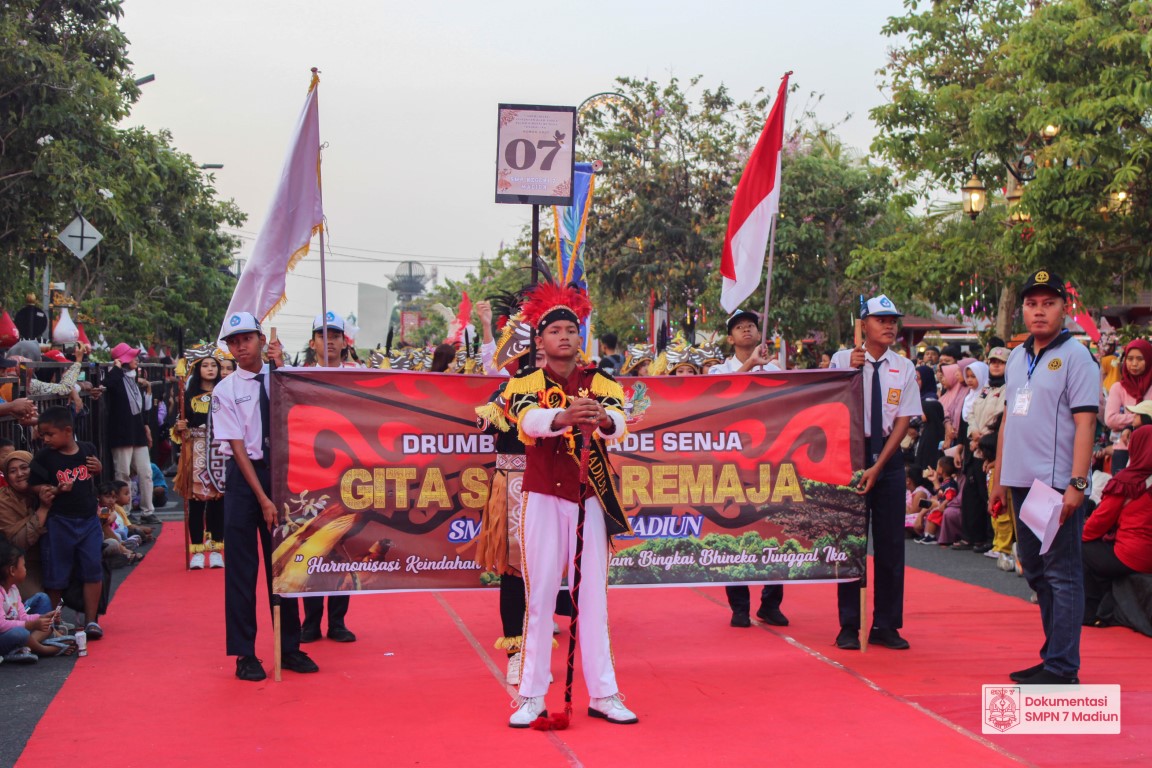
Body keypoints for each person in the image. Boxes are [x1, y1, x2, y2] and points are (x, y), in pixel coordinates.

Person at [501, 282, 637, 727]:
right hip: (542, 497)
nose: (564, 336)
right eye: (555, 330)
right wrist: (563, 417)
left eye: (571, 330)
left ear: (581, 339)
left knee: (592, 596)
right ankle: (531, 696)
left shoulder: (600, 381)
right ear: (539, 341)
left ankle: (604, 693)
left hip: (588, 500)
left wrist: (602, 418)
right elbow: (528, 421)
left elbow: (620, 422)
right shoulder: (524, 383)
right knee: (539, 596)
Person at [991, 269, 1098, 685]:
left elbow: (1086, 424)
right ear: (1022, 310)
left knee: (1062, 573)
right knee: (1035, 571)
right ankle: (1055, 654)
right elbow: (1007, 425)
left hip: (1055, 483)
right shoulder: (1016, 357)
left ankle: (1062, 666)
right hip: (1019, 481)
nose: (1039, 311)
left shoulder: (1077, 357)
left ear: (1063, 308)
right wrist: (998, 479)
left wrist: (1078, 483)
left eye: (1048, 303)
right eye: (1032, 304)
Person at [213, 311, 317, 682]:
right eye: (233, 342)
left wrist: (282, 366)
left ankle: (288, 647)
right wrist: (263, 498)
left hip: (283, 476)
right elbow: (238, 448)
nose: (240, 347)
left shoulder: (280, 379)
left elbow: (301, 411)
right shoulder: (225, 389)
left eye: (246, 339)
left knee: (286, 566)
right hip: (246, 481)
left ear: (261, 339)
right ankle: (245, 654)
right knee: (242, 571)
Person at [830, 295, 921, 650]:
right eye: (881, 319)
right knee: (850, 542)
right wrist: (846, 370)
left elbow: (903, 419)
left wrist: (880, 464)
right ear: (864, 324)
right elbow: (828, 404)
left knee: (891, 545)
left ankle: (885, 624)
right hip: (850, 455)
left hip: (888, 456)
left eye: (893, 320)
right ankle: (848, 625)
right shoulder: (843, 359)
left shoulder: (904, 367)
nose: (889, 326)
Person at [705, 310, 787, 627]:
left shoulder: (776, 369)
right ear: (731, 338)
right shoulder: (719, 369)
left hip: (770, 457)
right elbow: (719, 397)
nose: (747, 331)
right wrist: (750, 366)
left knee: (773, 528)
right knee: (733, 528)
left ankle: (771, 603)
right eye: (740, 328)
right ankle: (739, 607)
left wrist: (763, 366)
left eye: (751, 326)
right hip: (731, 461)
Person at [300, 312, 357, 644]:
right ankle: (310, 621)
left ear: (344, 341)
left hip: (350, 476)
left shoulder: (357, 377)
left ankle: (338, 620)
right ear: (312, 343)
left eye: (335, 334)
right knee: (311, 547)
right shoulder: (296, 378)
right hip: (308, 476)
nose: (330, 340)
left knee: (342, 549)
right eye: (323, 335)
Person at [27, 406, 105, 641]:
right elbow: (33, 485)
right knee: (56, 574)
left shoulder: (87, 449)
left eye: (49, 434)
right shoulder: (44, 457)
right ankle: (50, 623)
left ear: (67, 431)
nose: (45, 439)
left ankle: (92, 620)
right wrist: (52, 489)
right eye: (43, 435)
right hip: (59, 521)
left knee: (92, 568)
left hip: (88, 519)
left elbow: (97, 472)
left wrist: (99, 468)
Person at [1081, 425, 1152, 625]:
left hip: (1132, 555)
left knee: (1081, 547)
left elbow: (1097, 524)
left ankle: (1090, 611)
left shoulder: (1127, 481)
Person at [173, 348, 227, 570]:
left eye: (213, 365)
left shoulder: (225, 392)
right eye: (205, 365)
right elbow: (177, 427)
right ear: (197, 369)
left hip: (219, 450)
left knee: (218, 502)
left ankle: (216, 550)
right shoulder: (188, 396)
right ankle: (196, 550)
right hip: (195, 452)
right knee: (195, 504)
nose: (210, 369)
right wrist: (180, 426)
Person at [104, 342, 158, 525]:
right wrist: (117, 367)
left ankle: (147, 510)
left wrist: (146, 427)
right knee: (123, 473)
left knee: (146, 472)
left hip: (137, 432)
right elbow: (108, 384)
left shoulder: (134, 381)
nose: (136, 359)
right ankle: (124, 511)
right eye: (132, 356)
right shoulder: (116, 377)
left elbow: (141, 409)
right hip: (121, 433)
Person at [0, 537, 75, 661]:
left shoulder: (13, 588)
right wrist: (32, 624)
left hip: (16, 628)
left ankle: (26, 646)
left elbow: (22, 617)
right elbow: (2, 625)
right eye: (23, 566)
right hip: (5, 636)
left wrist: (42, 618)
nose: (26, 569)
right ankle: (44, 649)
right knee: (20, 633)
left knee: (42, 600)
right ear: (12, 571)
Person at [0, 451, 54, 598]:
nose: (19, 474)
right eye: (12, 471)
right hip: (22, 563)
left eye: (24, 467)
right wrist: (43, 509)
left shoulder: (47, 489)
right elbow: (19, 543)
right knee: (37, 599)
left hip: (53, 555)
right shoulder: (3, 501)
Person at [1104, 339, 1152, 473]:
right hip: (1124, 450)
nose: (1134, 364)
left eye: (1140, 359)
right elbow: (1110, 419)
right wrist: (1140, 419)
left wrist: (1129, 421)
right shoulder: (1118, 388)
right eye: (1130, 359)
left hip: (1149, 450)